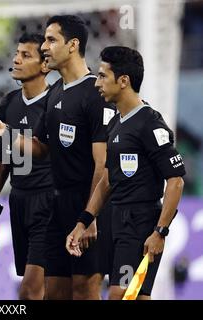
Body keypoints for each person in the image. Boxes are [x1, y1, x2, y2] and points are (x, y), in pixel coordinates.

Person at [0, 15, 116, 300]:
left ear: (72, 45)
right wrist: (6, 132)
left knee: (84, 291)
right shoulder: (56, 93)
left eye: (51, 40)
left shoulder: (95, 93)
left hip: (86, 204)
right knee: (54, 293)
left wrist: (90, 216)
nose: (45, 47)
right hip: (56, 207)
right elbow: (41, 148)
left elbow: (102, 164)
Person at [66, 46, 185, 300]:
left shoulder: (150, 123)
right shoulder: (115, 122)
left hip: (140, 221)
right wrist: (84, 221)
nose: (97, 83)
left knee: (120, 295)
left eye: (102, 76)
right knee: (135, 296)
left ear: (123, 81)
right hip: (116, 219)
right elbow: (108, 179)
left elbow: (175, 181)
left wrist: (160, 232)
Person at [0, 33, 53, 300]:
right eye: (16, 53)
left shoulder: (57, 103)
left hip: (50, 204)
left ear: (45, 65)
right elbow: (1, 164)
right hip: (20, 202)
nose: (16, 60)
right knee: (44, 291)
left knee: (30, 292)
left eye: (25, 55)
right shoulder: (9, 103)